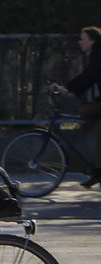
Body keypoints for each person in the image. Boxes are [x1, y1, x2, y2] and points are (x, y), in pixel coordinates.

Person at [46, 25, 101, 188]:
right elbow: (89, 77)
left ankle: (98, 171)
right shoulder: (96, 54)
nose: (79, 42)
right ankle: (98, 171)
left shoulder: (99, 54)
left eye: (82, 38)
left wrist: (68, 88)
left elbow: (89, 76)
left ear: (92, 41)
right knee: (96, 126)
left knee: (89, 115)